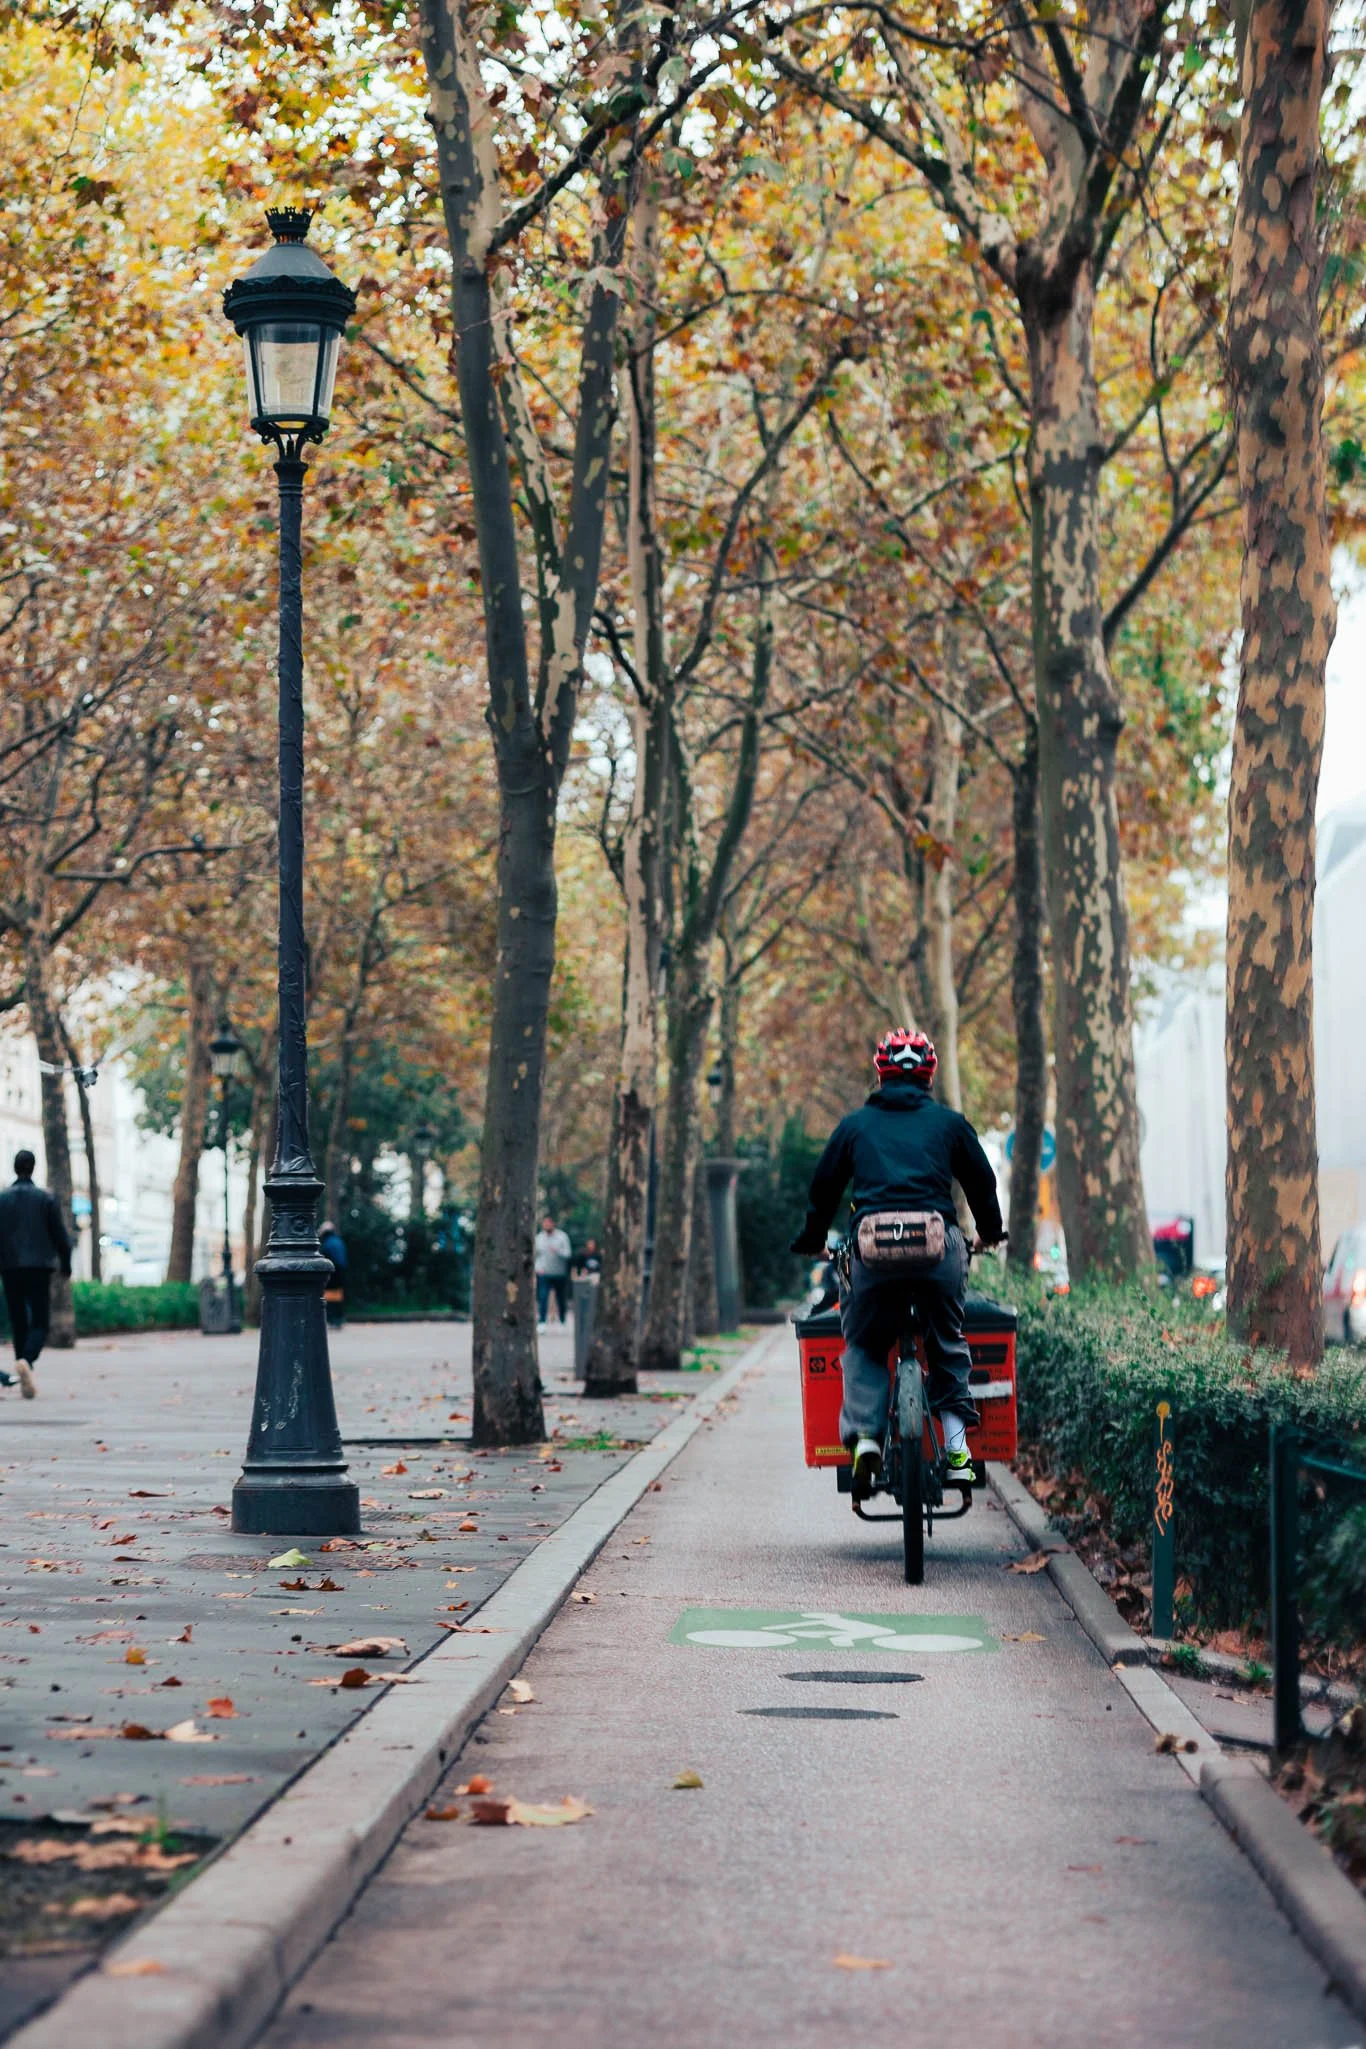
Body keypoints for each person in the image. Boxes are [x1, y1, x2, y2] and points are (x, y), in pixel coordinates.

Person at [791, 1030, 1004, 1494]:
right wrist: (990, 1234)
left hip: (872, 1255)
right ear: (929, 1074)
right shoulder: (950, 1124)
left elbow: (823, 1188)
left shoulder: (854, 1126)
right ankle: (956, 1452)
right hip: (937, 1250)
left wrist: (811, 1240)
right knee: (947, 1342)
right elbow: (982, 1184)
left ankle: (866, 1439)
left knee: (865, 1342)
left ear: (880, 1073)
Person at [0, 1149, 73, 1400]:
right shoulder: (46, 1199)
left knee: (19, 1321)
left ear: (14, 1167)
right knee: (40, 1321)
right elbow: (61, 1237)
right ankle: (27, 1362)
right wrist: (66, 1263)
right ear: (33, 1168)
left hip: (9, 1267)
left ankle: (23, 1373)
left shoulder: (2, 1199)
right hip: (40, 1267)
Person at [534, 1215, 572, 1328]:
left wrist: (558, 1251)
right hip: (544, 1273)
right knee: (543, 1297)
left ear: (553, 1224)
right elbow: (536, 1256)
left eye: (548, 1223)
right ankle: (542, 1322)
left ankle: (562, 1320)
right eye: (544, 1223)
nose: (546, 1225)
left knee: (561, 1298)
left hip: (559, 1273)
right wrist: (537, 1269)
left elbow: (568, 1254)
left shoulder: (562, 1237)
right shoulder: (539, 1238)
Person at [319, 1220, 348, 1329]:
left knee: (329, 1294)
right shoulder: (338, 1241)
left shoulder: (327, 1243)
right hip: (342, 1270)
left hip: (332, 1269)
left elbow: (324, 1256)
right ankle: (339, 1317)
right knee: (338, 1294)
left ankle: (332, 1318)